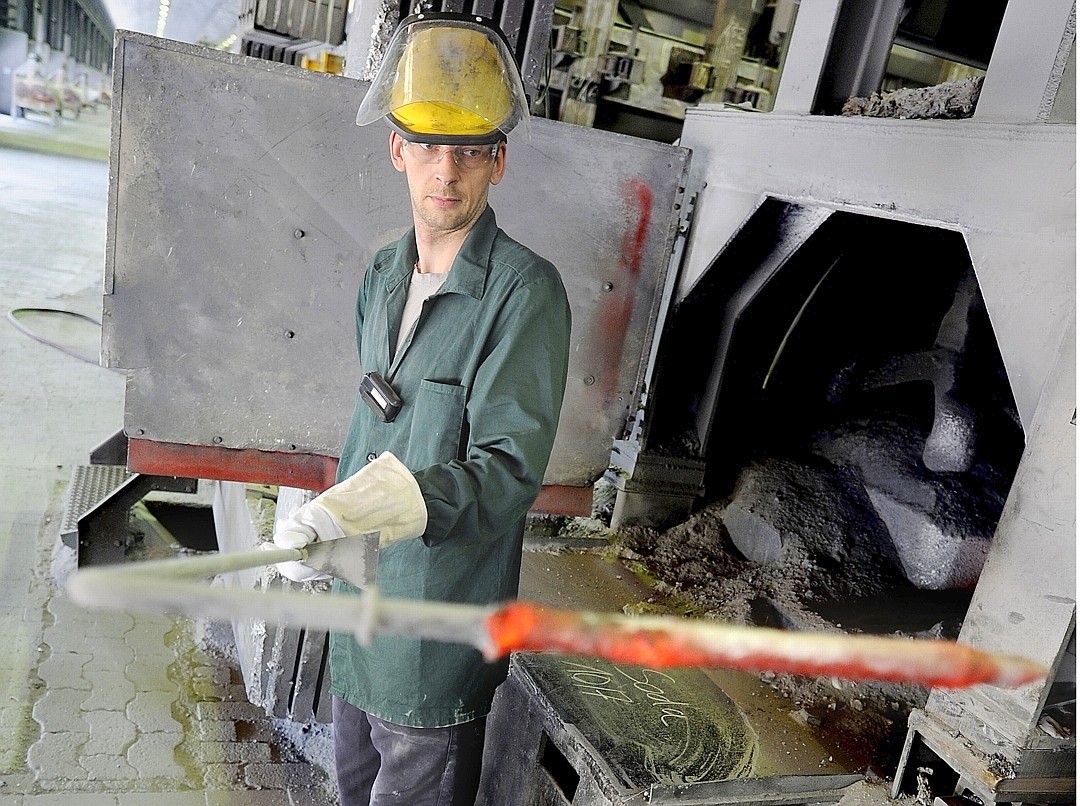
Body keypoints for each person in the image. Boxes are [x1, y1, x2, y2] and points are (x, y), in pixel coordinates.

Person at [270, 12, 572, 806]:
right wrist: (322, 512)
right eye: (429, 146)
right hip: (361, 617)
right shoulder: (380, 274)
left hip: (436, 633)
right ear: (397, 149)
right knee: (351, 789)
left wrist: (405, 498)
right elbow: (376, 417)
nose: (448, 170)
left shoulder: (523, 293)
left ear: (497, 163)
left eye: (470, 150)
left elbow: (507, 472)